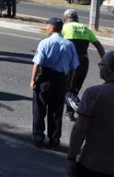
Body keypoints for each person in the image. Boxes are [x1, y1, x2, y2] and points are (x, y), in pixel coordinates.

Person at [66, 51, 114, 177]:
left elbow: (79, 130)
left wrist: (71, 158)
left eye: (101, 65)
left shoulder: (94, 94)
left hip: (93, 164)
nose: (99, 67)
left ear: (109, 69)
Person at [30, 17, 79, 150]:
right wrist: (69, 81)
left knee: (39, 110)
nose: (46, 28)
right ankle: (54, 140)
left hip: (45, 79)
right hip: (60, 80)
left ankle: (38, 138)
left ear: (51, 28)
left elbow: (37, 63)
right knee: (56, 112)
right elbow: (74, 67)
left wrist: (33, 80)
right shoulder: (69, 44)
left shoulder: (45, 42)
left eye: (47, 26)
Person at [62, 9, 106, 121]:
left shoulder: (65, 28)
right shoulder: (86, 29)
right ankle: (69, 113)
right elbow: (99, 46)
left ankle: (83, 111)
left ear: (65, 18)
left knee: (66, 89)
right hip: (84, 62)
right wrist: (105, 61)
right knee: (74, 89)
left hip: (70, 63)